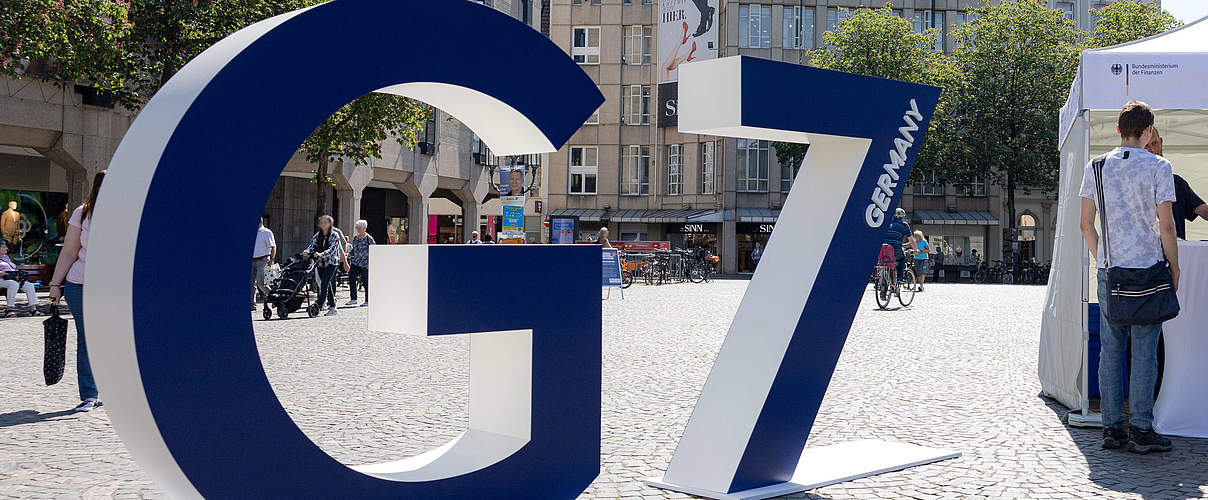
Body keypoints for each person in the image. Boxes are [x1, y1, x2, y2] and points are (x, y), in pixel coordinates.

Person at [1078, 100, 1178, 454]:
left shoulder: (1097, 166)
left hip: (1111, 271)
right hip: (1149, 269)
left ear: (1119, 131)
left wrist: (1102, 258)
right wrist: (1175, 267)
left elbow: (1084, 224)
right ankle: (1140, 428)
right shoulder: (1159, 166)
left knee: (1110, 350)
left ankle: (1111, 428)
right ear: (1149, 131)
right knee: (1145, 351)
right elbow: (1166, 225)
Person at [47, 169, 105, 412]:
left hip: (115, 289)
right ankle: (90, 394)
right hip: (80, 285)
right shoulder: (83, 213)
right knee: (89, 338)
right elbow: (70, 251)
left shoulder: (130, 213)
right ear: (97, 188)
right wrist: (55, 284)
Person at [1145, 126, 1208, 240]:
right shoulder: (1131, 185)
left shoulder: (1176, 182)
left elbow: (1203, 210)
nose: (1152, 150)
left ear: (1161, 142)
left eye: (1154, 143)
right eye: (1146, 146)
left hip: (1176, 252)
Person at [306, 215, 344, 317]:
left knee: (324, 284)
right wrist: (307, 251)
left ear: (330, 224)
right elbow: (312, 246)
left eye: (325, 222)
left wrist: (321, 254)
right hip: (320, 263)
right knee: (326, 284)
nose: (323, 225)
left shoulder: (335, 235)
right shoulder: (317, 236)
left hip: (331, 263)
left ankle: (319, 304)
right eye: (321, 223)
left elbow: (332, 249)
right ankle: (333, 307)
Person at [1, 243, 38, 317]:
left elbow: (12, 268)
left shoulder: (6, 257)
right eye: (4, 247)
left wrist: (15, 274)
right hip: (2, 279)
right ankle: (9, 309)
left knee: (29, 286)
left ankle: (33, 309)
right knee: (13, 284)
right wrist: (4, 273)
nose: (6, 248)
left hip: (11, 278)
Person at [881, 208, 917, 286]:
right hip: (895, 249)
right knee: (902, 258)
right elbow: (911, 240)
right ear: (902, 217)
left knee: (886, 264)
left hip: (883, 249)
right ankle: (900, 278)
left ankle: (884, 288)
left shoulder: (886, 223)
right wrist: (915, 250)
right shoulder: (904, 225)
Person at [345, 220, 374, 307]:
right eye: (356, 228)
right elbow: (354, 249)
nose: (357, 230)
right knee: (351, 278)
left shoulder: (369, 238)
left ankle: (367, 300)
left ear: (364, 228)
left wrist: (370, 263)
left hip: (365, 263)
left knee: (366, 282)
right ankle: (353, 298)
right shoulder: (355, 238)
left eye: (359, 228)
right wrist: (350, 254)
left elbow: (374, 250)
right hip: (356, 262)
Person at [251, 215, 276, 312]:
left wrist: (272, 259)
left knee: (261, 284)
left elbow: (273, 246)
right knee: (251, 283)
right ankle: (252, 304)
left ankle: (274, 297)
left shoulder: (266, 232)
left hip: (263, 260)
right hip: (252, 261)